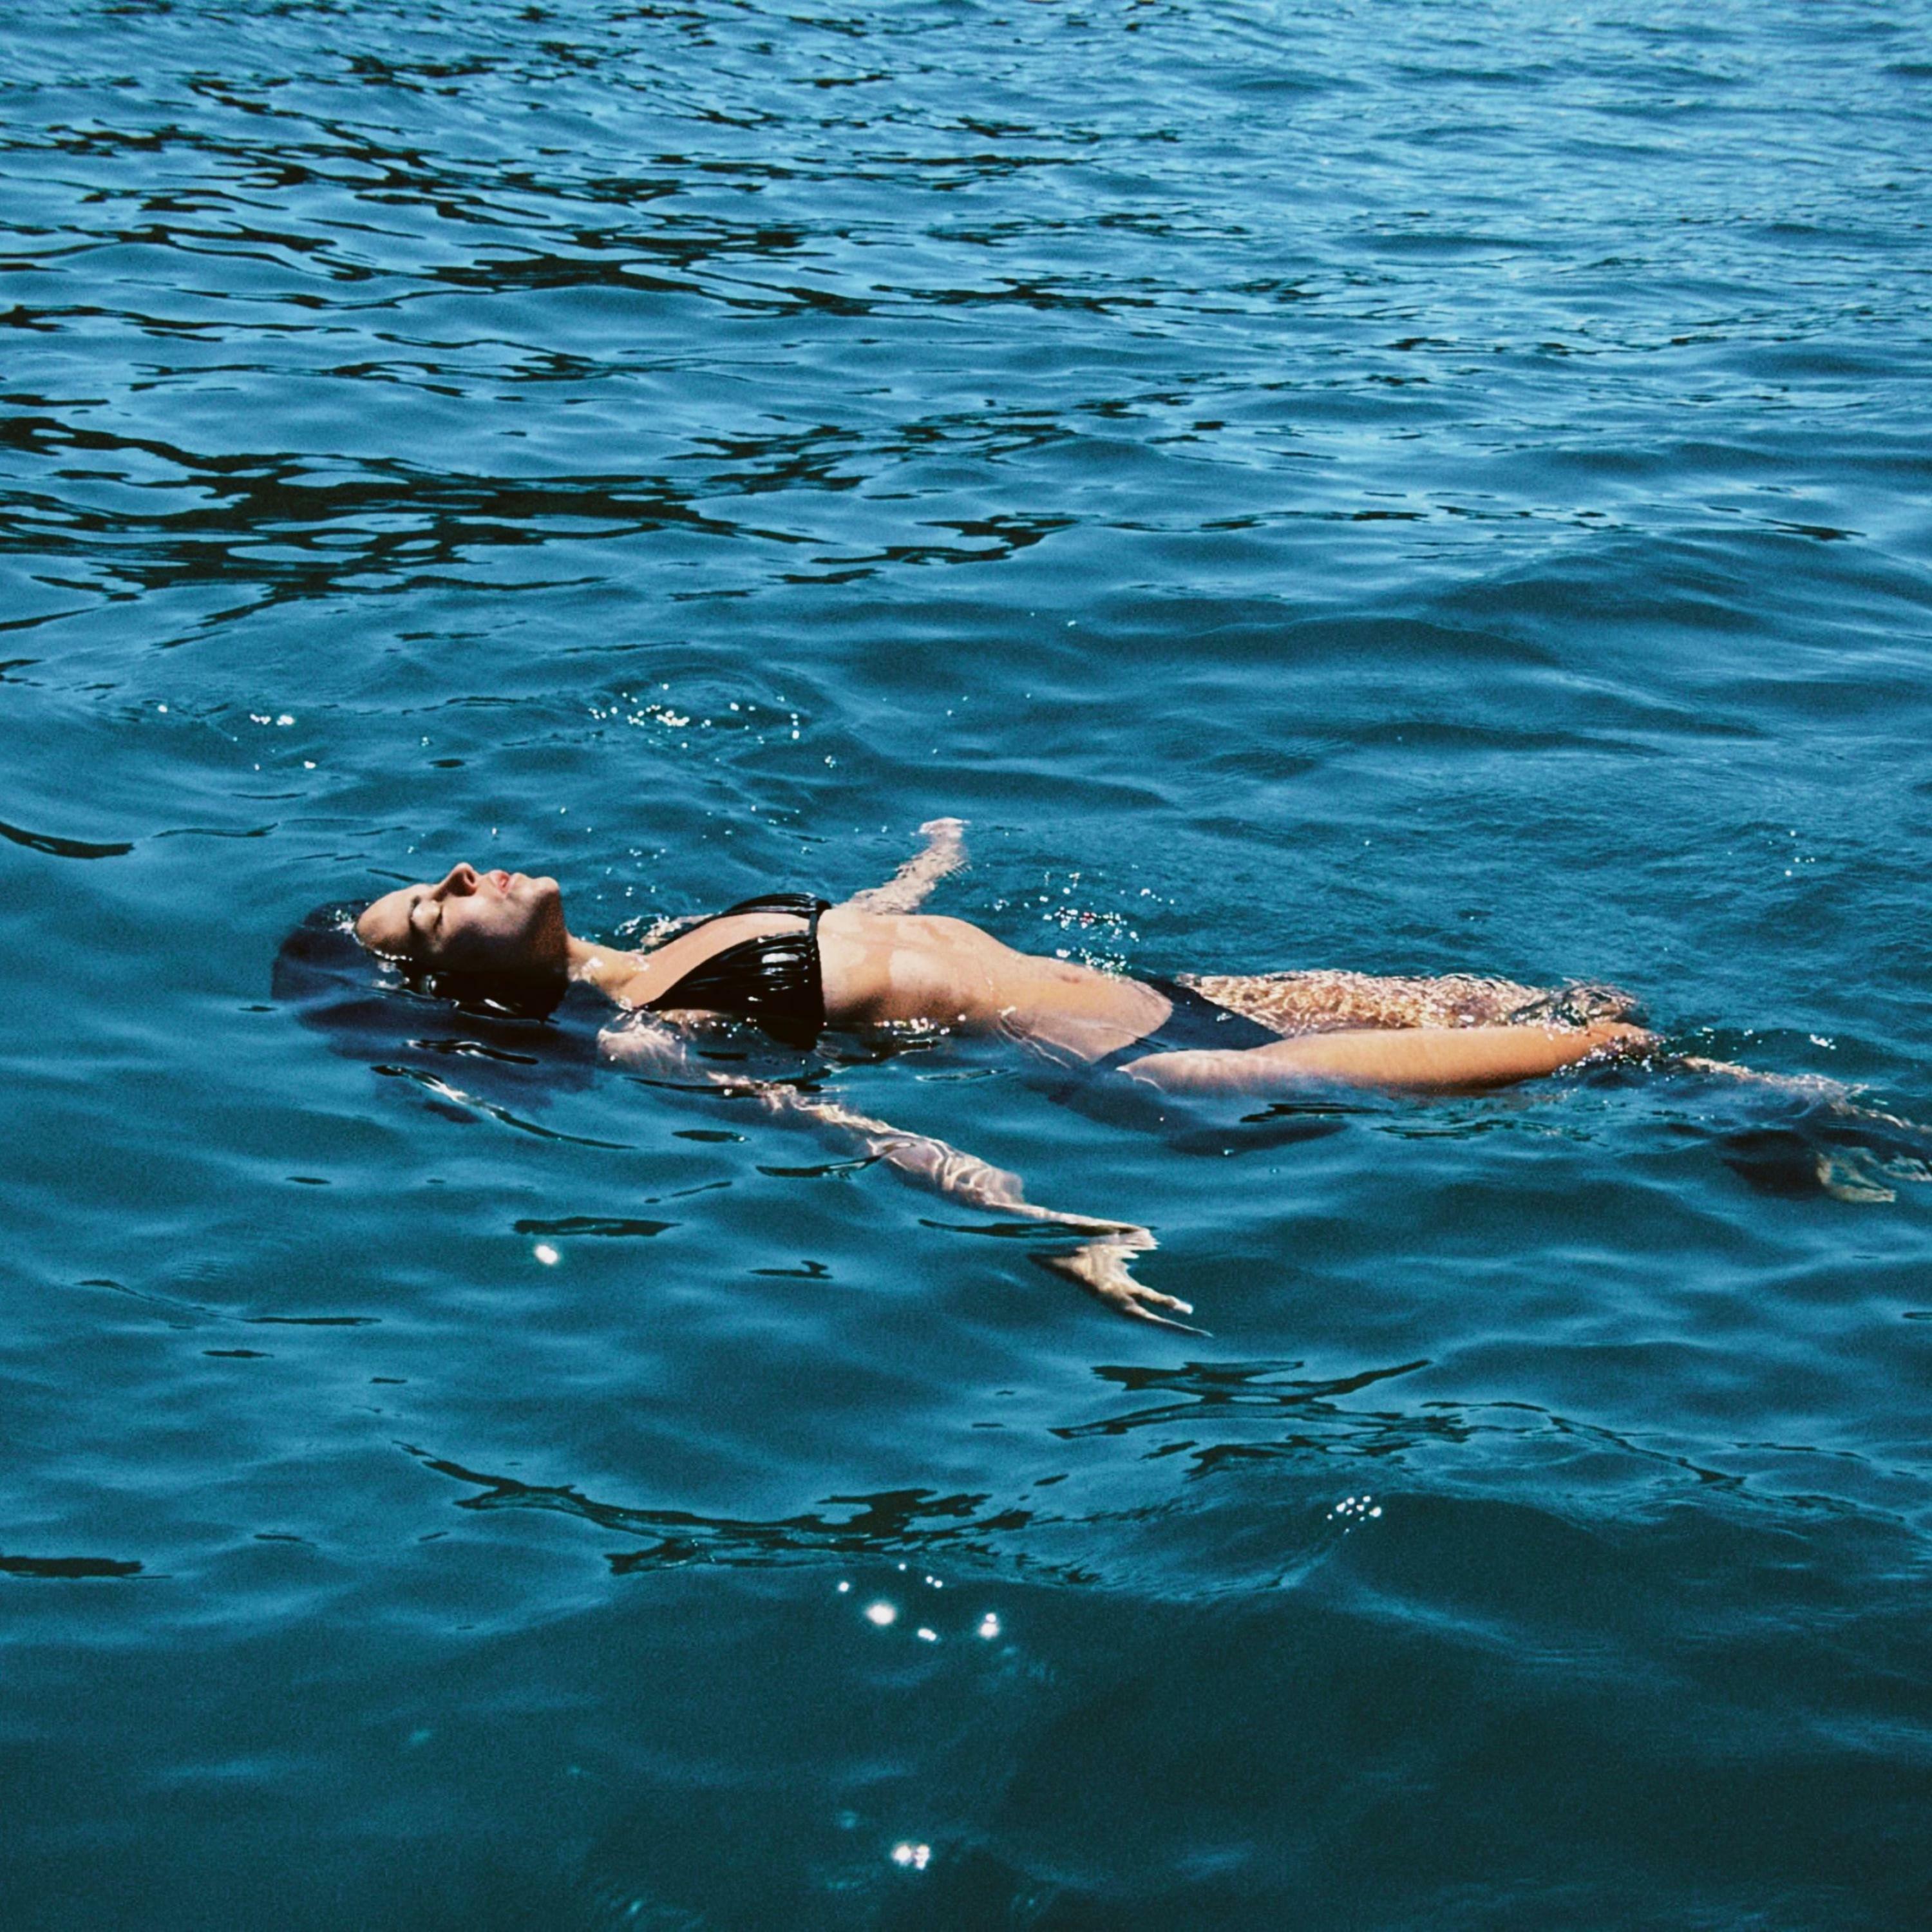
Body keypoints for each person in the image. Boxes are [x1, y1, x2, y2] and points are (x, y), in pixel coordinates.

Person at [345, 819, 1817, 1329]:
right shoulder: (646, 1038)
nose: (462, 876)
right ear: (460, 980)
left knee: (1583, 1022)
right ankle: (1783, 1126)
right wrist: (1054, 1233)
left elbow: (862, 934)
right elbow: (851, 1134)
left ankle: (1774, 1129)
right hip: (1164, 1071)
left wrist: (925, 866)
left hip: (1190, 990)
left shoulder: (675, 938)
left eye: (436, 876)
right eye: (430, 910)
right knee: (1601, 1051)